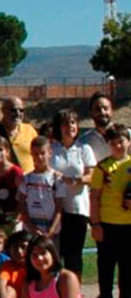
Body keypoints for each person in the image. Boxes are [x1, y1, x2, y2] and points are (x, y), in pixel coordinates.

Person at [89, 124, 131, 298]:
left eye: (121, 142)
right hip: (107, 225)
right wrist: (95, 224)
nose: (118, 146)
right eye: (113, 143)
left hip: (128, 225)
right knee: (106, 267)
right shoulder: (102, 167)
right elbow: (94, 197)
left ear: (128, 142)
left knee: (127, 268)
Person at [49, 109, 95, 277]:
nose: (70, 127)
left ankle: (75, 296)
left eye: (73, 122)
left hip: (77, 208)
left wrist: (76, 180)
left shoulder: (84, 149)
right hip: (54, 209)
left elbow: (91, 176)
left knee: (73, 256)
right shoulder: (51, 149)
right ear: (59, 127)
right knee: (54, 255)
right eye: (65, 123)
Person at [17, 136, 65, 239]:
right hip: (31, 231)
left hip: (52, 232)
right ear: (31, 155)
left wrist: (51, 230)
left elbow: (59, 208)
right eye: (35, 154)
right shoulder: (27, 179)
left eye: (43, 153)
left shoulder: (56, 179)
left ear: (50, 153)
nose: (39, 157)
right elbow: (22, 205)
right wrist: (31, 227)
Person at [0, 97, 38, 173]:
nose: (18, 113)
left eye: (21, 110)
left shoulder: (30, 130)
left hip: (27, 181)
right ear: (3, 111)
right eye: (13, 110)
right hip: (1, 181)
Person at [78, 91, 114, 163]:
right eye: (98, 109)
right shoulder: (83, 142)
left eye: (105, 108)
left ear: (112, 110)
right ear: (91, 113)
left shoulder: (128, 136)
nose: (102, 112)